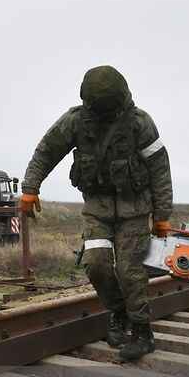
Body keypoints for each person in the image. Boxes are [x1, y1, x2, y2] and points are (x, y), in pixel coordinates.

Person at [21, 66, 174, 360]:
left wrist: (162, 215)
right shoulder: (76, 121)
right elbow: (47, 151)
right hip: (97, 209)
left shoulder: (140, 123)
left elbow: (159, 169)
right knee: (96, 263)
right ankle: (119, 312)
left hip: (135, 209)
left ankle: (143, 332)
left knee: (130, 271)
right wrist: (30, 187)